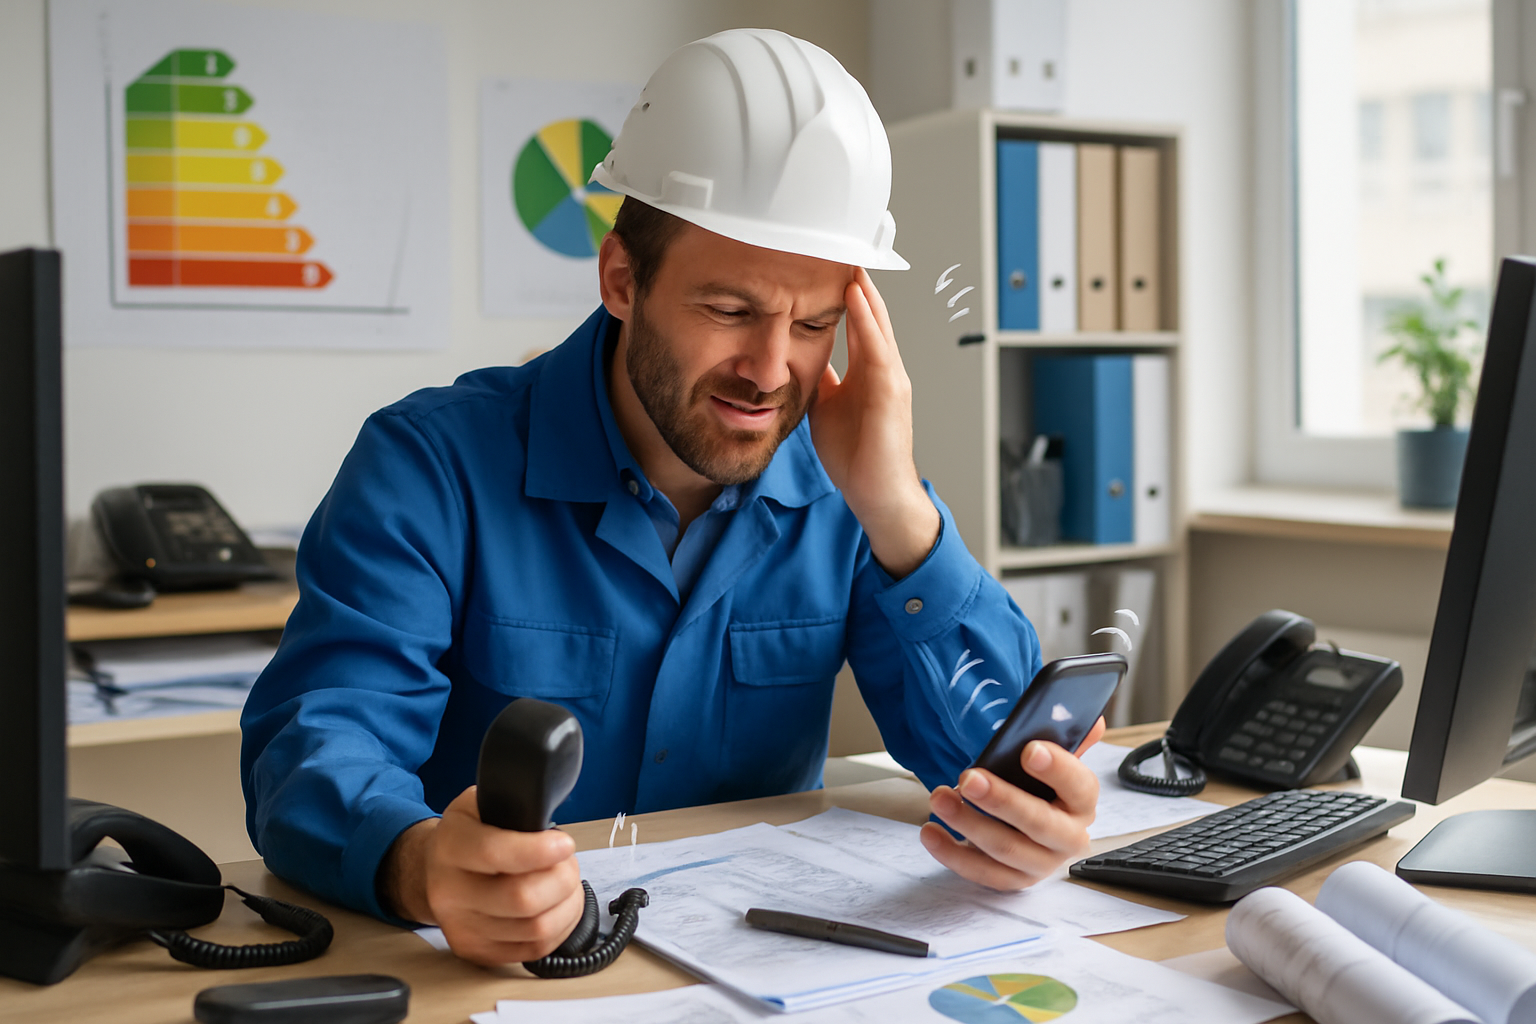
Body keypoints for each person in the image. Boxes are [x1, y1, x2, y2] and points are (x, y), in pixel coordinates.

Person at [240, 27, 1105, 969]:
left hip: (756, 979)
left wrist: (898, 510)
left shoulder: (852, 489)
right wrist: (420, 866)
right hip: (501, 984)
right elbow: (314, 747)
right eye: (729, 310)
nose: (771, 371)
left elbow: (991, 761)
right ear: (622, 278)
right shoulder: (429, 465)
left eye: (813, 323)